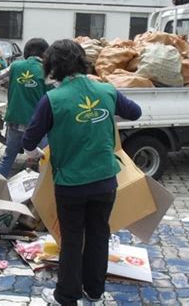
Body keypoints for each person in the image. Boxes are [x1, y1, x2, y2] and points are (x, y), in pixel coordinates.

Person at [22, 39, 142, 305]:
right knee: (99, 236)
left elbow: (28, 141)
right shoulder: (107, 91)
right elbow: (135, 112)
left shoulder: (52, 99)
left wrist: (41, 148)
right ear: (82, 62)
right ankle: (95, 292)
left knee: (73, 240)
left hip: (71, 185)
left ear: (53, 67)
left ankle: (66, 297)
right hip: (105, 182)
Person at [0, 38, 51, 178]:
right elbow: (54, 96)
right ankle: (37, 193)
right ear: (45, 54)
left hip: (15, 121)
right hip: (37, 126)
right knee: (44, 160)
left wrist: (16, 87)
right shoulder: (47, 71)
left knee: (8, 158)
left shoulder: (15, 66)